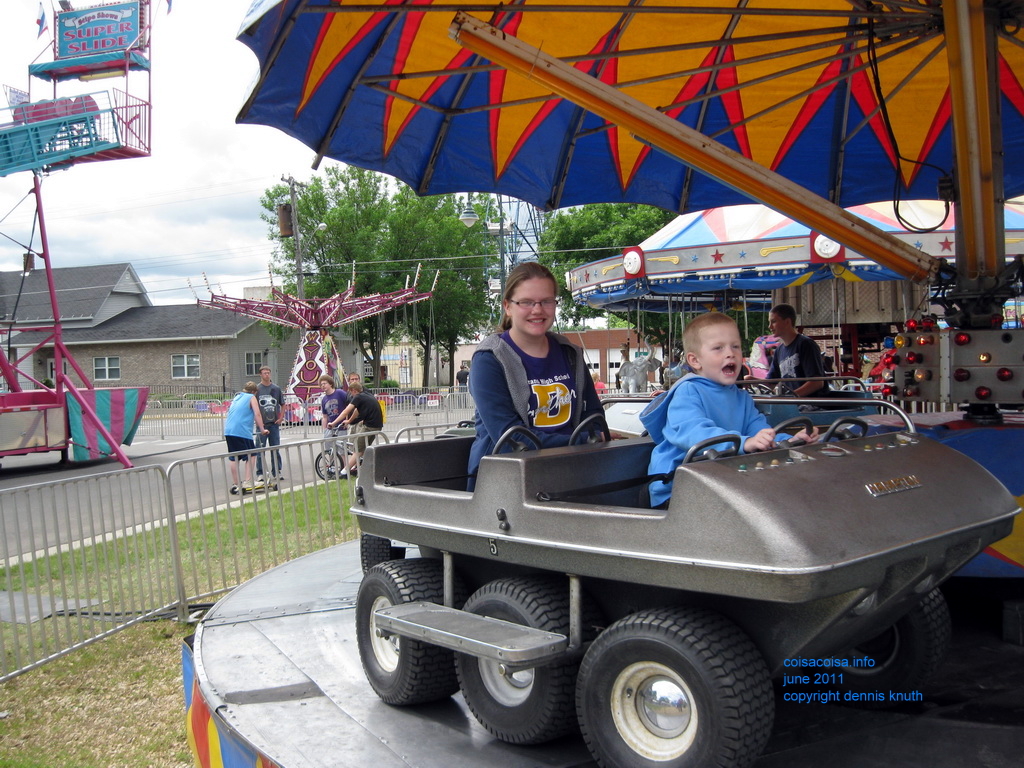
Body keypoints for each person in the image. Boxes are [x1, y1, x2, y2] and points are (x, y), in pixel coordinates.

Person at [640, 313, 817, 508]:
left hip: (719, 479)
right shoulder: (688, 391)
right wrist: (744, 443)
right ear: (695, 360)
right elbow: (695, 433)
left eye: (736, 346)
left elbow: (758, 431)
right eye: (718, 348)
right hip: (677, 486)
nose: (730, 353)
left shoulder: (741, 397)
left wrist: (786, 441)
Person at [467, 262, 603, 489]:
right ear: (508, 306)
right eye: (527, 302)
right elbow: (511, 439)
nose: (538, 310)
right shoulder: (489, 359)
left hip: (570, 473)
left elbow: (594, 414)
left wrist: (593, 437)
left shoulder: (570, 353)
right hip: (505, 481)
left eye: (546, 301)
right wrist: (583, 441)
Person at [767, 303, 830, 396]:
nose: (770, 326)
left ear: (787, 322)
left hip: (813, 405)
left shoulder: (806, 344)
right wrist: (750, 380)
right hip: (795, 405)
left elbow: (817, 383)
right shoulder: (779, 350)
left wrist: (790, 398)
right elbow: (771, 382)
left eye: (773, 322)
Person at [224, 381, 269, 494]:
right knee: (252, 455)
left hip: (229, 430)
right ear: (254, 392)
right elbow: (257, 413)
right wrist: (262, 429)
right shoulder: (251, 397)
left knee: (234, 457)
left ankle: (235, 483)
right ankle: (248, 480)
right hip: (241, 431)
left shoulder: (237, 397)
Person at [334, 380, 384, 477]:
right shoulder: (366, 394)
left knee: (357, 449)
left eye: (351, 393)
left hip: (369, 426)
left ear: (354, 391)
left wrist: (334, 423)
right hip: (377, 425)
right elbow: (357, 410)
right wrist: (349, 421)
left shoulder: (358, 397)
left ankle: (344, 472)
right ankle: (365, 470)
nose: (351, 396)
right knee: (364, 448)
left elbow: (345, 412)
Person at [255, 365, 284, 481]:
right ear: (260, 375)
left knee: (275, 448)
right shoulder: (257, 389)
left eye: (268, 373)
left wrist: (281, 417)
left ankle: (277, 471)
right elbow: (254, 406)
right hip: (262, 424)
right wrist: (257, 421)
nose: (267, 375)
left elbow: (283, 404)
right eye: (264, 373)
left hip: (274, 423)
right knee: (260, 449)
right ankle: (260, 472)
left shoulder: (276, 389)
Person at [319, 374, 348, 475]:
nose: (323, 386)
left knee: (342, 449)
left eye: (325, 383)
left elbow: (348, 406)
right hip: (330, 427)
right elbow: (325, 416)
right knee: (330, 449)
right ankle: (331, 467)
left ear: (330, 384)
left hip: (341, 426)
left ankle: (345, 469)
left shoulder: (339, 393)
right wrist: (324, 429)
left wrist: (347, 420)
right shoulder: (324, 399)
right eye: (321, 384)